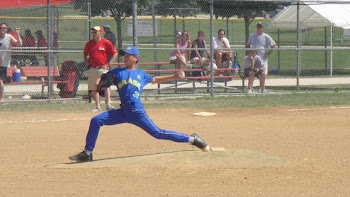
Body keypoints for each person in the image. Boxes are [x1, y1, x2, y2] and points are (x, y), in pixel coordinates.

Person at [69, 46, 210, 162]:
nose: (125, 57)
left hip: (136, 111)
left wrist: (173, 76)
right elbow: (101, 82)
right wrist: (99, 84)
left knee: (158, 133)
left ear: (136, 58)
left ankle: (193, 139)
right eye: (124, 55)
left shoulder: (141, 74)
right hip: (122, 112)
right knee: (96, 120)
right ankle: (88, 153)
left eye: (128, 55)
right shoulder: (118, 72)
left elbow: (154, 80)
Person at [84, 26, 117, 112]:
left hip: (103, 68)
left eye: (96, 32)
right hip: (93, 68)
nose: (93, 34)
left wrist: (110, 63)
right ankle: (98, 106)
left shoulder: (105, 42)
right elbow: (85, 54)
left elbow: (114, 53)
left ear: (100, 33)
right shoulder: (89, 44)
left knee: (105, 85)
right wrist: (86, 61)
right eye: (93, 32)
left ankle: (108, 104)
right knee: (94, 88)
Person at [0, 23, 22, 102]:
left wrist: (18, 34)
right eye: (0, 28)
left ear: (6, 30)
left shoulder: (8, 37)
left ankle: (1, 98)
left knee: (0, 80)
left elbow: (19, 44)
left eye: (3, 28)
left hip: (3, 64)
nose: (1, 30)